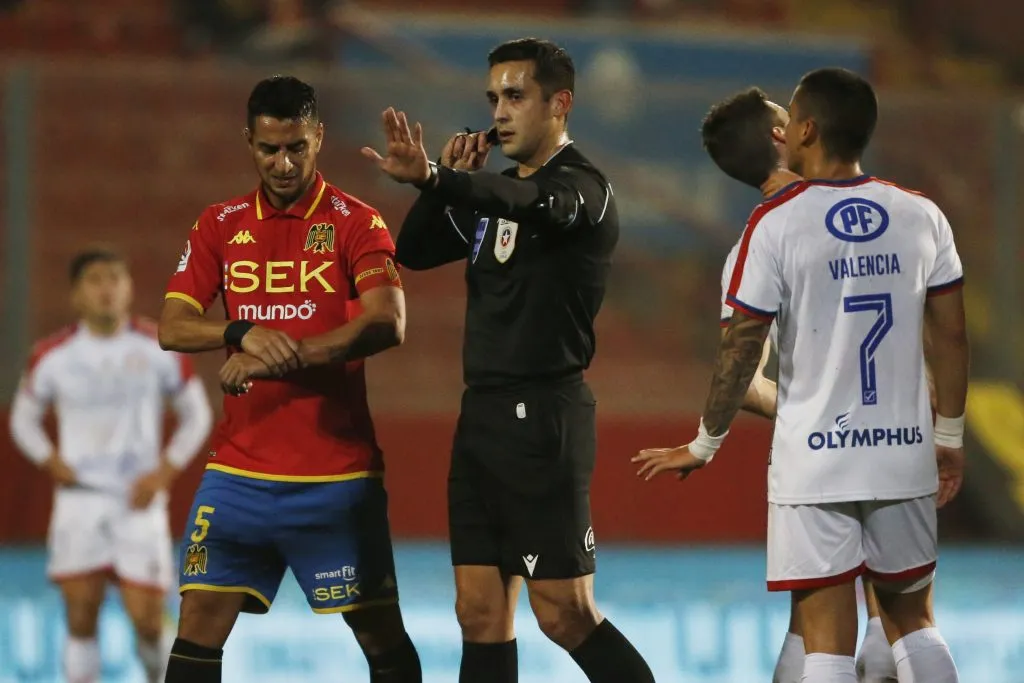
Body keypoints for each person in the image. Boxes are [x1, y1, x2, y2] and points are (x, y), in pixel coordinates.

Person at [635, 67, 966, 683]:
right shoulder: (919, 213)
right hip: (901, 448)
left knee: (822, 640)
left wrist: (710, 440)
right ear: (783, 136)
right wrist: (947, 434)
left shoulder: (765, 235)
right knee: (911, 621)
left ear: (805, 132)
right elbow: (950, 335)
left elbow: (740, 359)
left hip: (815, 459)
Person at [363, 38, 655, 683]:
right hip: (482, 417)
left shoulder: (583, 186)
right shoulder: (493, 193)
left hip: (544, 417)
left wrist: (443, 179)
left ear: (560, 103)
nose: (499, 111)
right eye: (493, 97)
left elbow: (535, 204)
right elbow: (415, 251)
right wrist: (442, 185)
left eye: (516, 96)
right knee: (478, 612)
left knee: (564, 613)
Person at [157, 75, 420, 683]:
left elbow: (388, 322)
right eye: (269, 149)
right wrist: (238, 331)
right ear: (248, 141)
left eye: (297, 147)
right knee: (197, 622)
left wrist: (286, 355)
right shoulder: (219, 224)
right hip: (238, 474)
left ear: (319, 137)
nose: (283, 163)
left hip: (336, 475)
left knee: (379, 633)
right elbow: (172, 326)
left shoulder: (356, 221)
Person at [700, 86, 902, 683]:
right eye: (789, 119)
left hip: (811, 453)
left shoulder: (753, 244)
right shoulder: (882, 215)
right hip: (891, 438)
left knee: (812, 622)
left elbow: (743, 380)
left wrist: (809, 410)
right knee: (897, 618)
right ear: (782, 137)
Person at [9, 247, 213, 683]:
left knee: (148, 619)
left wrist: (164, 472)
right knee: (81, 615)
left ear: (129, 288)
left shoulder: (159, 346)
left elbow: (197, 414)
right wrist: (50, 460)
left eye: (115, 279)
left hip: (138, 499)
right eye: (96, 280)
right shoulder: (52, 355)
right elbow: (23, 419)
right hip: (80, 500)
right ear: (76, 294)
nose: (107, 289)